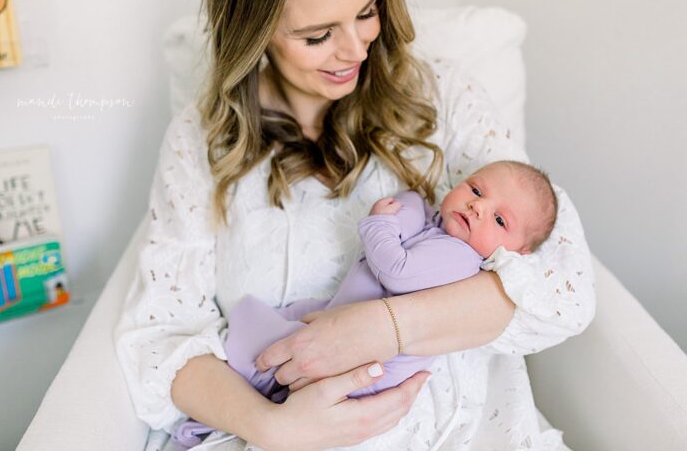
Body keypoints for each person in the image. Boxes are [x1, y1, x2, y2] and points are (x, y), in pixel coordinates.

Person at [114, 0, 595, 450]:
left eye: (367, 12)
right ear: (255, 30)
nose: (356, 51)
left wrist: (383, 327)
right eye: (317, 35)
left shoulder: (442, 97)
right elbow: (160, 335)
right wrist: (272, 427)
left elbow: (559, 284)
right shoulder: (201, 141)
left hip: (458, 431)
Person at [173, 161, 559, 447]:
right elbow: (409, 209)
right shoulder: (436, 229)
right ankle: (239, 403)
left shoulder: (460, 258)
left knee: (271, 343)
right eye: (476, 190)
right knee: (294, 325)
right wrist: (408, 210)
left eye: (499, 220)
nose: (478, 207)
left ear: (517, 253)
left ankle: (237, 385)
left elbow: (397, 270)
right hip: (345, 337)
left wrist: (377, 224)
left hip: (369, 371)